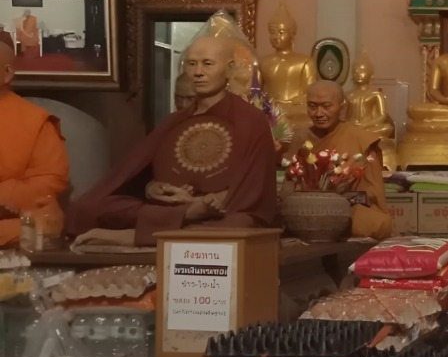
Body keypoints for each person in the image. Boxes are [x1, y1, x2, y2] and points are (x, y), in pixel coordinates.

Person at [66, 35, 279, 247]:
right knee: (90, 207)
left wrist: (204, 201)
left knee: (240, 224)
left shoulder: (250, 119)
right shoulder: (175, 120)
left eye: (208, 64)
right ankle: (177, 225)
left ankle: (134, 236)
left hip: (219, 212)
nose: (198, 72)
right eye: (191, 64)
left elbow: (254, 190)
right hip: (170, 208)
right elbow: (136, 176)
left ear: (229, 69)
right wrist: (152, 188)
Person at [289, 81, 392, 240]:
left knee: (373, 222)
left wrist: (339, 194)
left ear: (342, 107)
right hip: (307, 211)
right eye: (312, 106)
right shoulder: (300, 138)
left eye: (326, 106)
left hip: (349, 210)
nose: (319, 113)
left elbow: (373, 194)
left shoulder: (360, 139)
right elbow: (289, 186)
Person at [0, 44, 70, 247]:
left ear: (7, 74)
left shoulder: (34, 121)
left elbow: (49, 181)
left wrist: (4, 194)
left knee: (43, 225)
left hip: (12, 219)